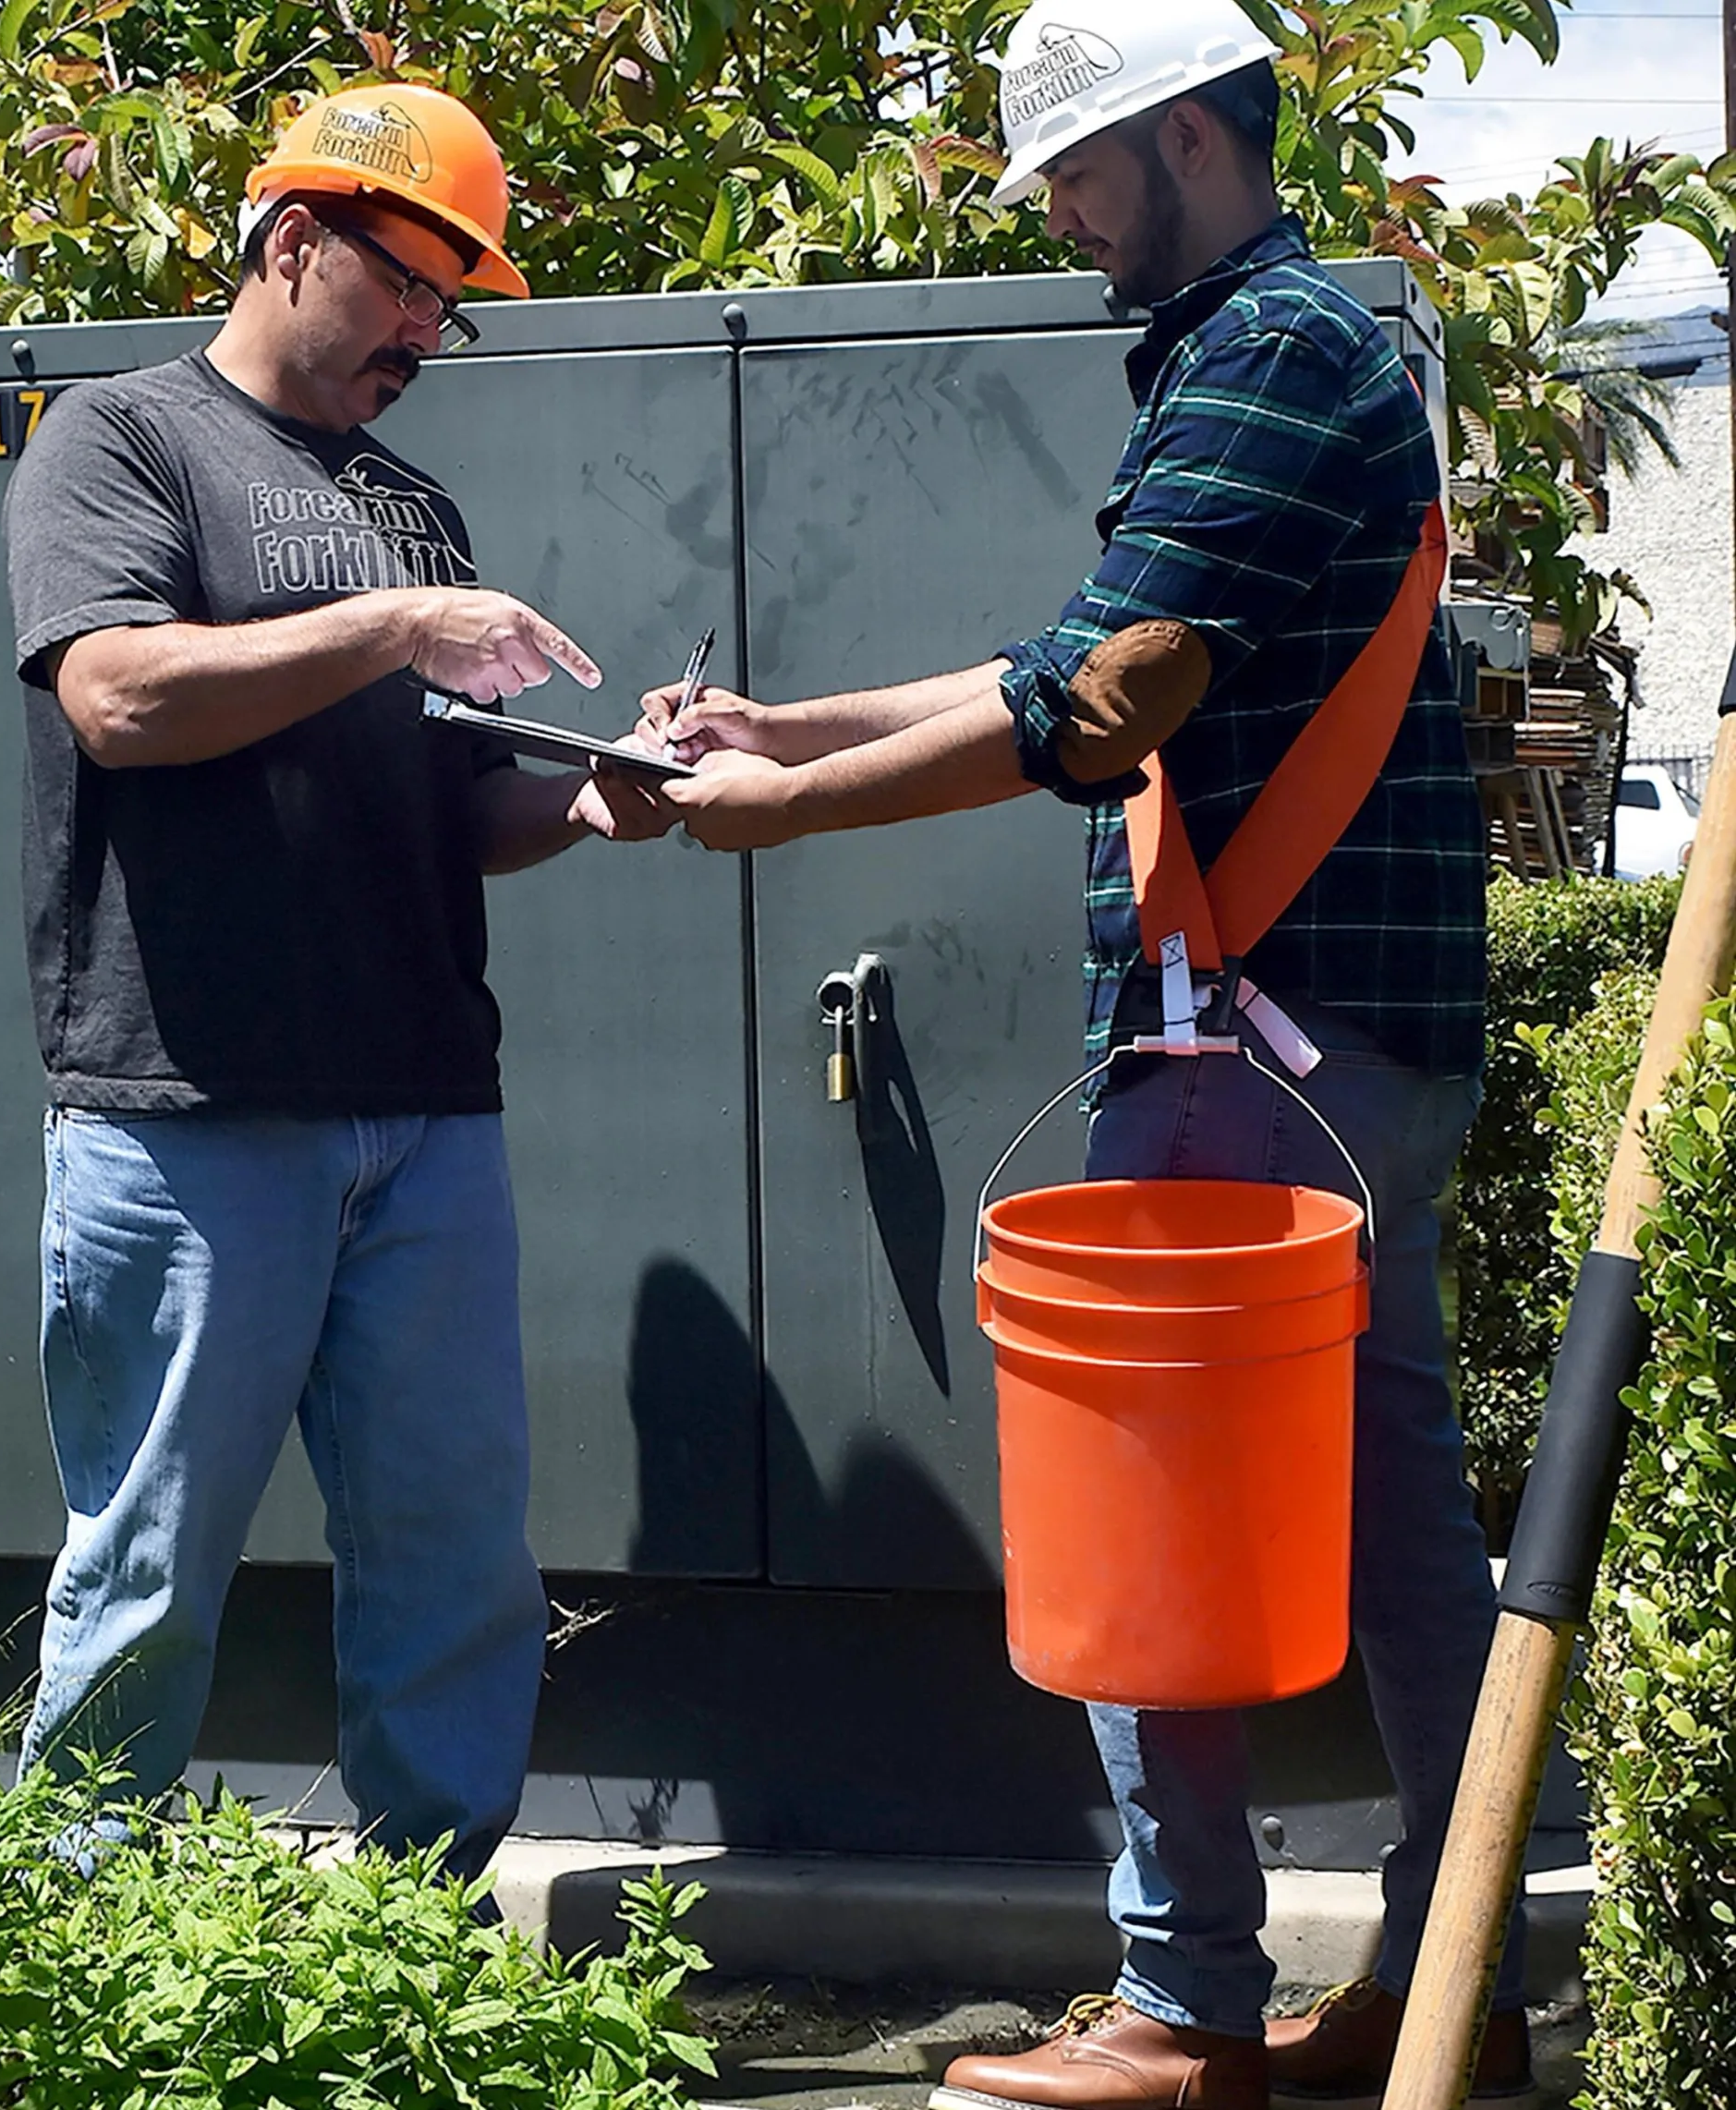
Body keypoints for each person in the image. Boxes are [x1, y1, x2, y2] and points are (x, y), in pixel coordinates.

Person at [617, 4, 1530, 2104]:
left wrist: (776, 819)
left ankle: (1184, 1999)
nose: (1053, 208)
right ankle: (1467, 1948)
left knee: (1151, 1517)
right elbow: (1075, 652)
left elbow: (1103, 700)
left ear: (1188, 136)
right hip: (1340, 1050)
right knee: (1397, 1525)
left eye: (1073, 168)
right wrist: (793, 726)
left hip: (1247, 1050)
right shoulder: (1293, 348)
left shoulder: (1266, 350)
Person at [4, 81, 661, 1873]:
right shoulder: (118, 440)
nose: (426, 337)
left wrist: (606, 793)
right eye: (407, 288)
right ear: (294, 241)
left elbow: (455, 809)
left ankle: (418, 1955)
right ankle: (63, 1952)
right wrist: (390, 620)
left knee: (454, 1565)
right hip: (186, 1112)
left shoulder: (414, 505)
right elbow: (118, 700)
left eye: (449, 307)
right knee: (148, 1572)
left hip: (426, 1111)